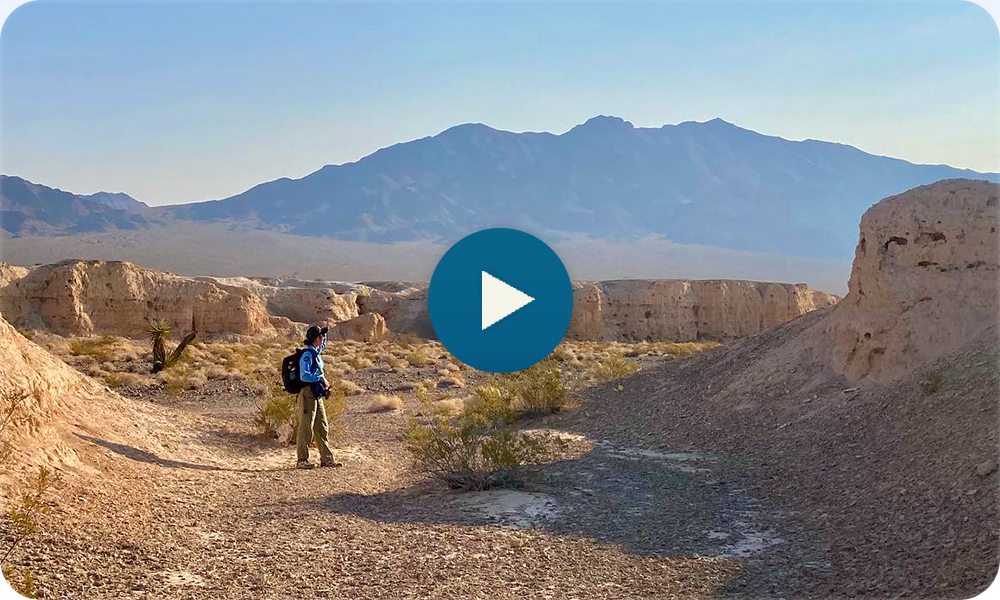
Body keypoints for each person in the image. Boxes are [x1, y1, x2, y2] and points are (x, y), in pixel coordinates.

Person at [296, 325, 342, 469]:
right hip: (308, 393)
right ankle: (302, 460)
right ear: (316, 338)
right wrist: (321, 378)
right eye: (321, 336)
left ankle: (327, 459)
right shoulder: (308, 355)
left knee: (321, 426)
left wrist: (325, 332)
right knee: (306, 427)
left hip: (316, 394)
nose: (323, 339)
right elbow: (304, 376)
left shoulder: (315, 352)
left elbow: (323, 344)